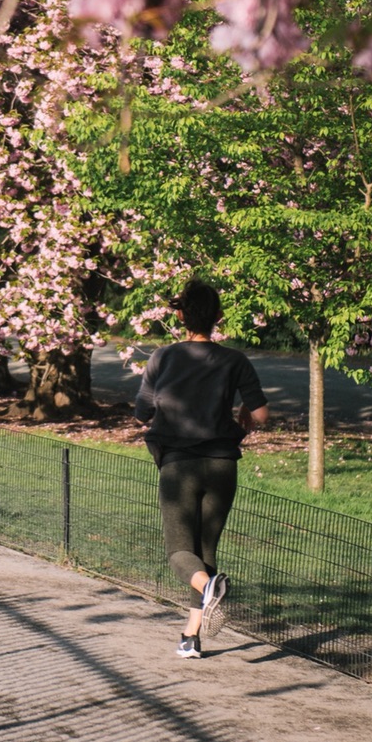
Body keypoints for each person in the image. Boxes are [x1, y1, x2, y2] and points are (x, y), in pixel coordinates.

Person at [134, 278, 269, 659]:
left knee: (180, 552)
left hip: (179, 466)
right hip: (223, 465)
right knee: (205, 550)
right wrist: (243, 411)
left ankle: (208, 592)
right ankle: (191, 636)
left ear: (179, 315)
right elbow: (261, 413)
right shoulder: (235, 360)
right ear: (219, 317)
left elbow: (141, 413)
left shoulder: (162, 357)